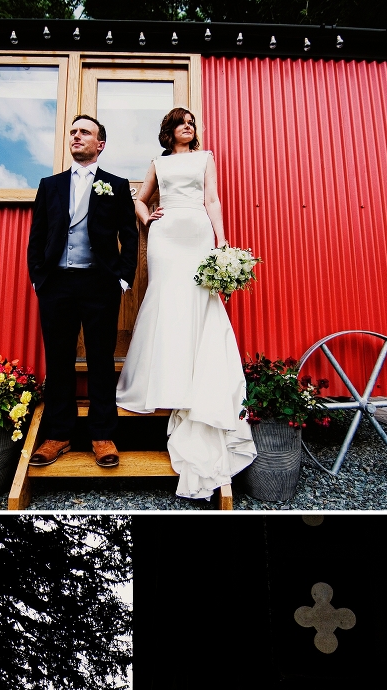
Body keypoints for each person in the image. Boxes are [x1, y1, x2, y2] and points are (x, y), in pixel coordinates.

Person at [116, 107, 255, 501]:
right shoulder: (158, 163)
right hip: (165, 236)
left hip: (196, 233)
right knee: (164, 301)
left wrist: (222, 241)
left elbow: (212, 200)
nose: (188, 126)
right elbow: (139, 200)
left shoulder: (206, 158)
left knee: (197, 300)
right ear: (170, 130)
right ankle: (161, 381)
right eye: (181, 122)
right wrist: (148, 218)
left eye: (192, 122)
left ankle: (194, 380)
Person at [27, 115, 139, 473]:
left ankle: (102, 435)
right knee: (58, 359)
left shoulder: (116, 186)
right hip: (56, 284)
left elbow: (130, 235)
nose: (76, 136)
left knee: (101, 361)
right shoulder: (50, 185)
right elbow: (38, 235)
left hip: (99, 284)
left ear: (100, 144)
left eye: (84, 132)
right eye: (72, 131)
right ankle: (58, 435)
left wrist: (123, 278)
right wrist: (38, 277)